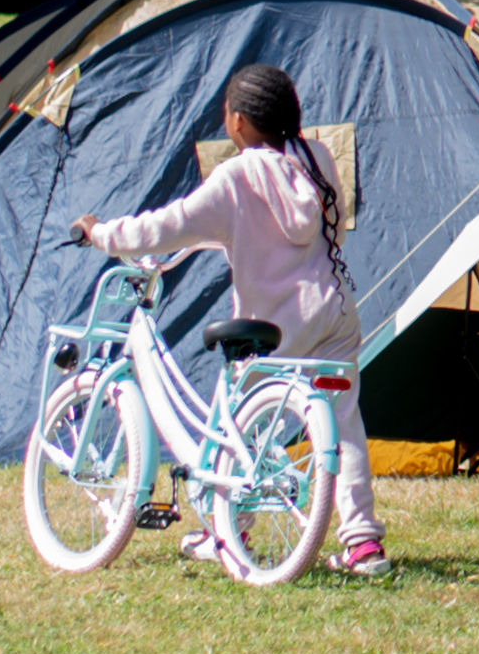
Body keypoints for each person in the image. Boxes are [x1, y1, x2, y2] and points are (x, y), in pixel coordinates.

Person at [78, 60, 391, 577]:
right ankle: (362, 544)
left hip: (272, 327)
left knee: (238, 420)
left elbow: (167, 227)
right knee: (345, 426)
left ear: (239, 121)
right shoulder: (316, 159)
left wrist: (102, 233)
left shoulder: (235, 177)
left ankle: (230, 528)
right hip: (333, 314)